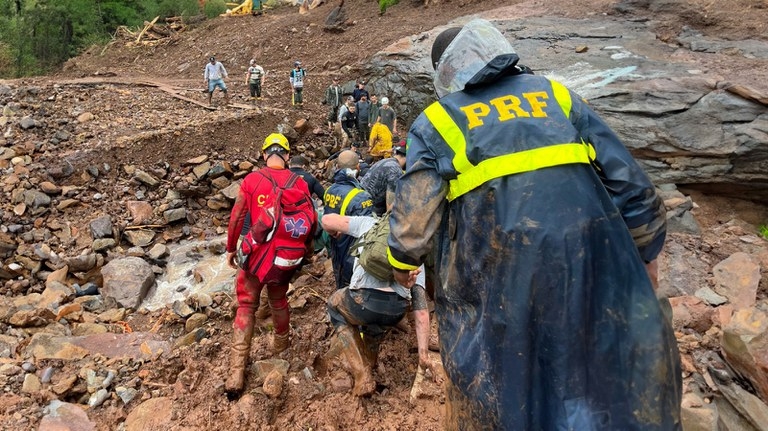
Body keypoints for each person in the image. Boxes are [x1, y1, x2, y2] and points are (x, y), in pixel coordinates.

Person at [386, 19, 681, 430]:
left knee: (514, 383)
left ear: (445, 72)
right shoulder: (555, 96)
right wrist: (646, 254)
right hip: (593, 259)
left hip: (500, 278)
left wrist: (401, 263)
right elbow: (630, 184)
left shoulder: (438, 121)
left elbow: (414, 215)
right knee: (604, 368)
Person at [224, 133, 316, 397]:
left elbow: (237, 217)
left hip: (255, 258)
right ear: (287, 156)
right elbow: (311, 221)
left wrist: (231, 248)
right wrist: (306, 252)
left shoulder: (252, 180)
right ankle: (281, 351)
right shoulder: (299, 182)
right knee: (279, 302)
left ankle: (236, 372)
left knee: (246, 306)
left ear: (264, 155)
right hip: (284, 259)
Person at [322, 185, 431, 396]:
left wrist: (333, 231)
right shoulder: (415, 244)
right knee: (375, 327)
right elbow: (420, 307)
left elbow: (326, 220)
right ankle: (369, 366)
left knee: (335, 305)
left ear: (389, 205)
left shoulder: (370, 223)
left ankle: (362, 374)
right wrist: (423, 352)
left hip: (362, 301)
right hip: (395, 310)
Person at [323, 150, 373, 290]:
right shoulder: (361, 197)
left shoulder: (329, 190)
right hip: (351, 249)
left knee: (338, 273)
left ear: (337, 167)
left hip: (334, 243)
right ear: (358, 168)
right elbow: (368, 231)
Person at [361, 140, 406, 215]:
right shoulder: (395, 170)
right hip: (370, 213)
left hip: (363, 207)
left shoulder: (385, 161)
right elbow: (390, 210)